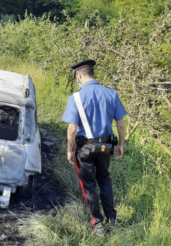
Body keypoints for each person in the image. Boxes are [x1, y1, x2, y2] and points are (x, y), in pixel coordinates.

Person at [62, 59, 126, 236]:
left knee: (88, 184)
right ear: (93, 74)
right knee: (105, 179)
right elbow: (120, 124)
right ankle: (111, 220)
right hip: (105, 146)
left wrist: (69, 150)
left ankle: (97, 224)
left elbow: (72, 129)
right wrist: (121, 144)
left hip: (85, 148)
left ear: (80, 76)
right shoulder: (111, 94)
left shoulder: (75, 97)